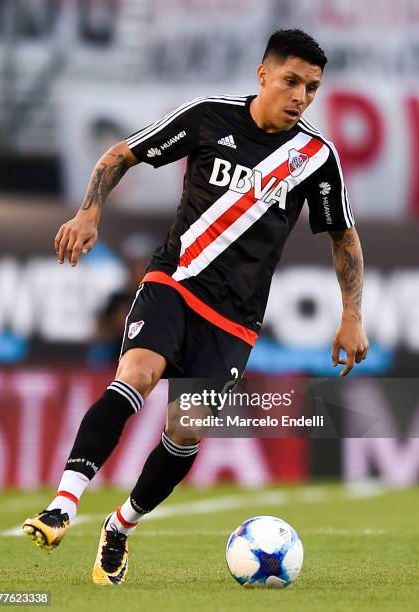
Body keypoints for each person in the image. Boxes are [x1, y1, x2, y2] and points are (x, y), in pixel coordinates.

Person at [23, 29, 369, 585]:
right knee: (135, 373)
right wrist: (89, 212)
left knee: (186, 430)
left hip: (234, 319)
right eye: (291, 81)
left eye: (312, 87)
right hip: (174, 282)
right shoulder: (209, 116)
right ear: (263, 74)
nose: (301, 96)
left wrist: (352, 314)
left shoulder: (315, 156)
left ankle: (120, 527)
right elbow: (122, 153)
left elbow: (343, 236)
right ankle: (62, 503)